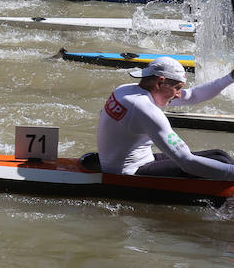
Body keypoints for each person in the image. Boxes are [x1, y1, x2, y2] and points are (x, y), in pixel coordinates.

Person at [98, 57, 234, 179]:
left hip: (135, 160)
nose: (179, 95)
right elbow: (187, 162)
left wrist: (230, 78)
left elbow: (193, 95)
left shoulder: (126, 89)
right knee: (217, 167)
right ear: (160, 82)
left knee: (220, 155)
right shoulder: (145, 110)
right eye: (177, 88)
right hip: (128, 172)